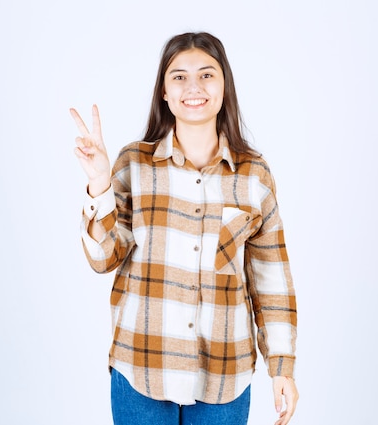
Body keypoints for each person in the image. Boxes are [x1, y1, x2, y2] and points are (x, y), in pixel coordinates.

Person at [71, 32, 298, 425]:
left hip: (224, 377)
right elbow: (103, 258)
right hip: (140, 368)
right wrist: (99, 185)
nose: (193, 87)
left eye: (207, 75)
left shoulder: (253, 176)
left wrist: (282, 367)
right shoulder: (133, 165)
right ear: (164, 91)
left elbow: (270, 278)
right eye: (179, 77)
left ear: (224, 86)